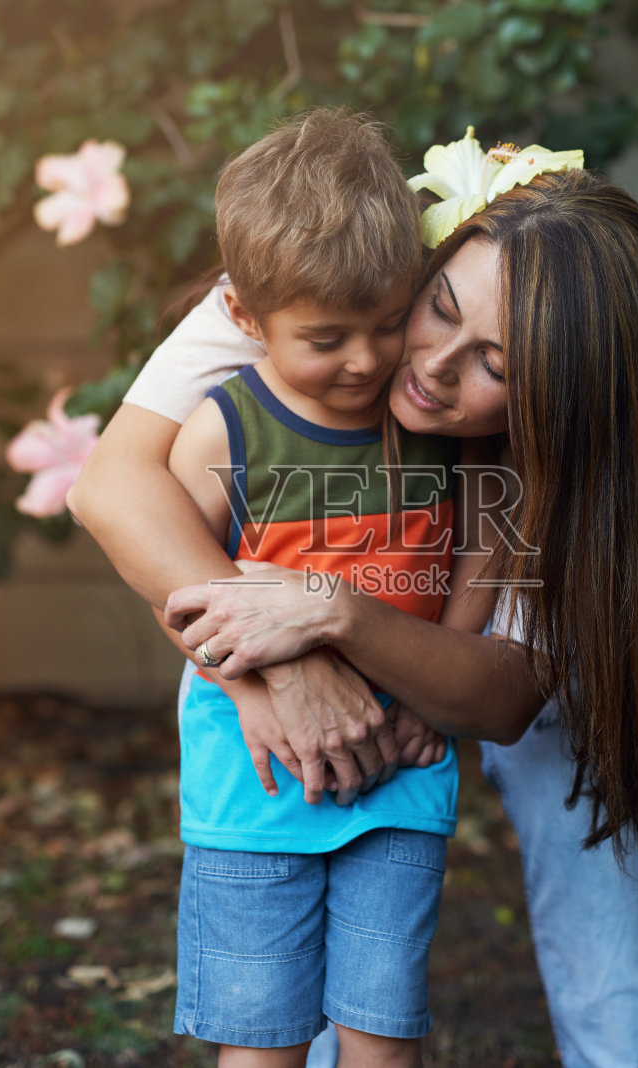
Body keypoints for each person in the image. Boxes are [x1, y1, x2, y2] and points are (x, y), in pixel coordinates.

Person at [68, 127, 638, 1068]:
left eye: (494, 363)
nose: (425, 366)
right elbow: (116, 493)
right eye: (437, 307)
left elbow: (500, 700)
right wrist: (272, 676)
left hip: (451, 582)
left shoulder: (562, 458)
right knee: (271, 690)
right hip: (322, 581)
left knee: (571, 796)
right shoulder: (326, 283)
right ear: (425, 263)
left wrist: (343, 620)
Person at [151, 108, 502, 1068]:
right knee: (259, 1036)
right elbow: (175, 587)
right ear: (244, 318)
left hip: (404, 772)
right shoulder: (221, 432)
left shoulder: (429, 419)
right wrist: (251, 684)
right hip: (252, 783)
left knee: (383, 1028)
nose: (364, 359)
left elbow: (480, 547)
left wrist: (448, 683)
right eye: (325, 337)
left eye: (388, 323)